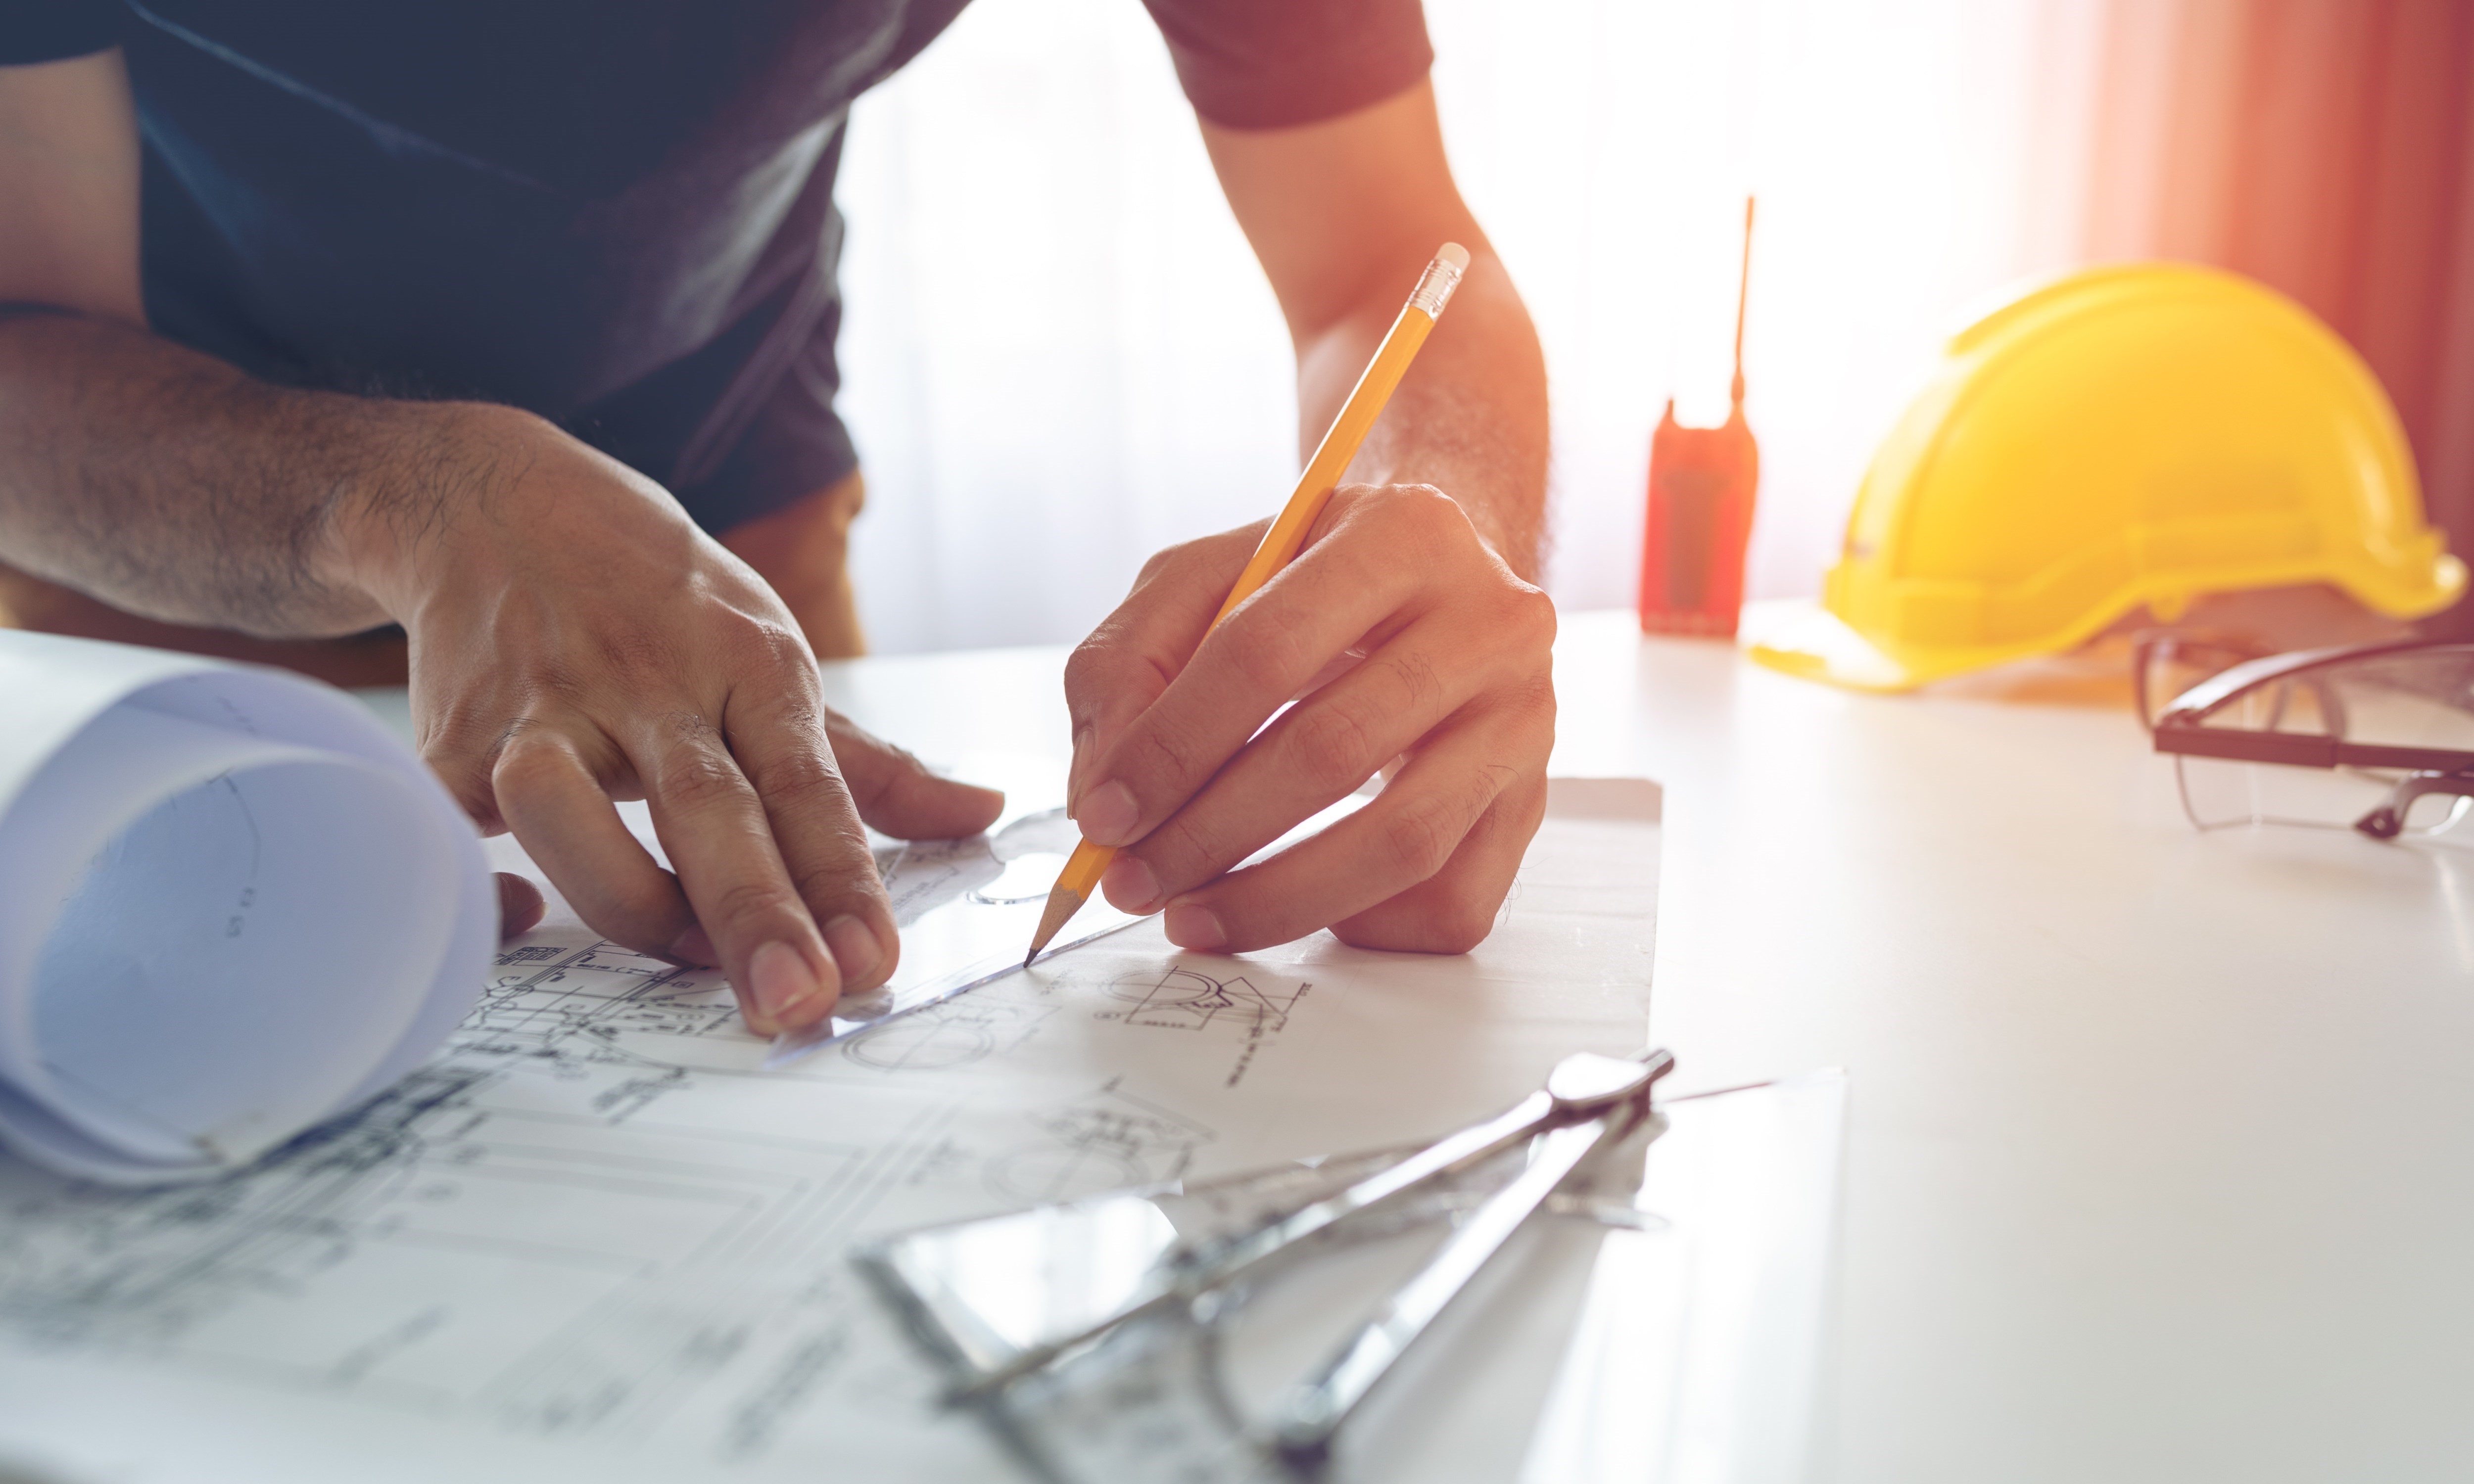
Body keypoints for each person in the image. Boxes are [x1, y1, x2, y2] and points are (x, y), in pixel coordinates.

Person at [0, 0, 1554, 1038]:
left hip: (747, 573)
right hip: (168, 548)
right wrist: (415, 495)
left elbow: (1390, 259)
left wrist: (1432, 523)